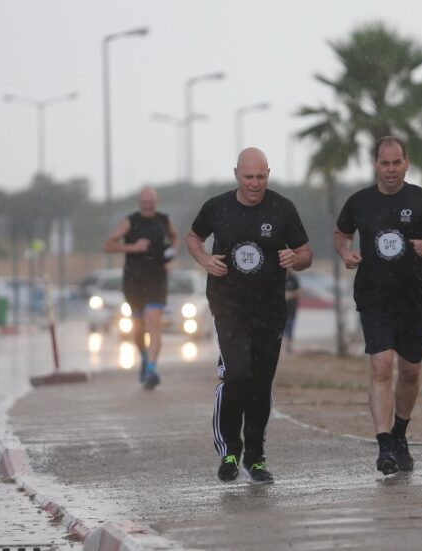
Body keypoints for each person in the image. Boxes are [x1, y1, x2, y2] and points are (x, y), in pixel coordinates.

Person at [186, 147, 312, 484]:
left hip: (269, 309)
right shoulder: (217, 208)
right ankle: (229, 449)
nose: (254, 183)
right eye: (248, 177)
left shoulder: (282, 209)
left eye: (260, 177)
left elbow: (306, 254)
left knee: (260, 385)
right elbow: (193, 237)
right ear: (236, 175)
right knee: (237, 373)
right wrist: (203, 260)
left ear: (268, 174)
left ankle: (255, 458)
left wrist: (294, 259)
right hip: (229, 306)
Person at [333, 136, 422, 475]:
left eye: (396, 163)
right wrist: (346, 252)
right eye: (384, 163)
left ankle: (400, 433)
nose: (390, 170)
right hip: (374, 296)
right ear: (375, 164)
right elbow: (340, 234)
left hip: (414, 298)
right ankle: (384, 444)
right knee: (381, 365)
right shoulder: (360, 202)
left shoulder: (421, 200)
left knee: (411, 371)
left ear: (406, 163)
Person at [103, 185, 179, 390]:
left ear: (156, 201)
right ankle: (145, 358)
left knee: (153, 323)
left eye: (151, 202)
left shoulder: (164, 219)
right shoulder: (130, 221)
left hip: (157, 280)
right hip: (134, 282)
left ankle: (152, 369)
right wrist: (132, 247)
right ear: (139, 203)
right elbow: (108, 245)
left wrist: (172, 253)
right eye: (144, 203)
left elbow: (175, 237)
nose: (147, 206)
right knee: (138, 330)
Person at [283, 270, 301, 354]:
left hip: (291, 309)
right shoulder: (278, 276)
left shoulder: (293, 278)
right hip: (279, 309)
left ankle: (288, 347)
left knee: (289, 327)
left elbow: (300, 291)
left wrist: (290, 295)